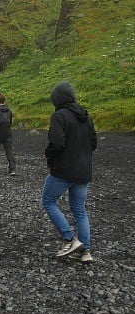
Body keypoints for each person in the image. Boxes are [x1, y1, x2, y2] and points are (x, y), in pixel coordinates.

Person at [41, 81, 97, 263]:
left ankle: (69, 238)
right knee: (79, 210)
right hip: (84, 170)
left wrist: (48, 153)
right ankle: (85, 251)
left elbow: (57, 144)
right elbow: (93, 144)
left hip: (63, 170)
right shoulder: (86, 116)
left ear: (57, 98)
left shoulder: (59, 116)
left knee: (48, 201)